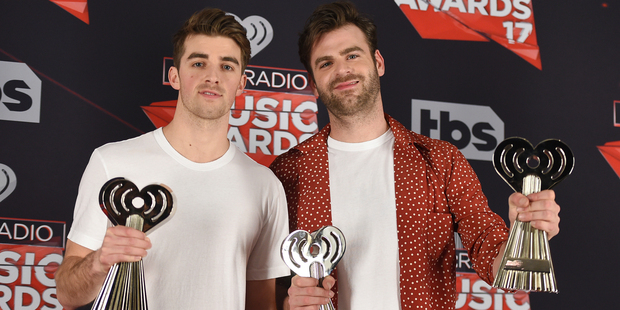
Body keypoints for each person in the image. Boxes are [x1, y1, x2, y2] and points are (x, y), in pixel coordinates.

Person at [269, 1, 561, 309]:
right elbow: (263, 288)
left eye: (352, 55)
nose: (342, 70)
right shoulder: (288, 172)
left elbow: (494, 262)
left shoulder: (440, 159)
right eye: (325, 63)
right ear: (313, 84)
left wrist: (528, 231)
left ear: (378, 62)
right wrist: (290, 305)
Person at [55, 8, 290, 310]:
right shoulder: (111, 162)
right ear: (175, 76)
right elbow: (67, 293)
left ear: (241, 83)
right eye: (198, 63)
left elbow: (260, 304)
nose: (212, 77)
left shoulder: (264, 185)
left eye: (227, 66)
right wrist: (99, 262)